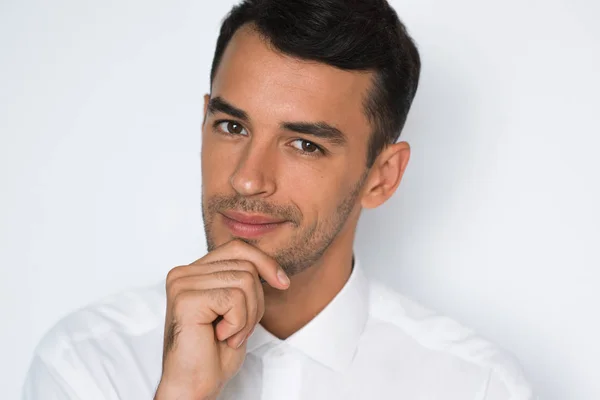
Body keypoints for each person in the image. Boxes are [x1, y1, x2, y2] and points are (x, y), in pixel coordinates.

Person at [22, 0, 534, 399]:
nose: (248, 180)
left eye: (305, 144)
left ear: (382, 176)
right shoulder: (88, 362)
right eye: (231, 126)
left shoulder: (477, 387)